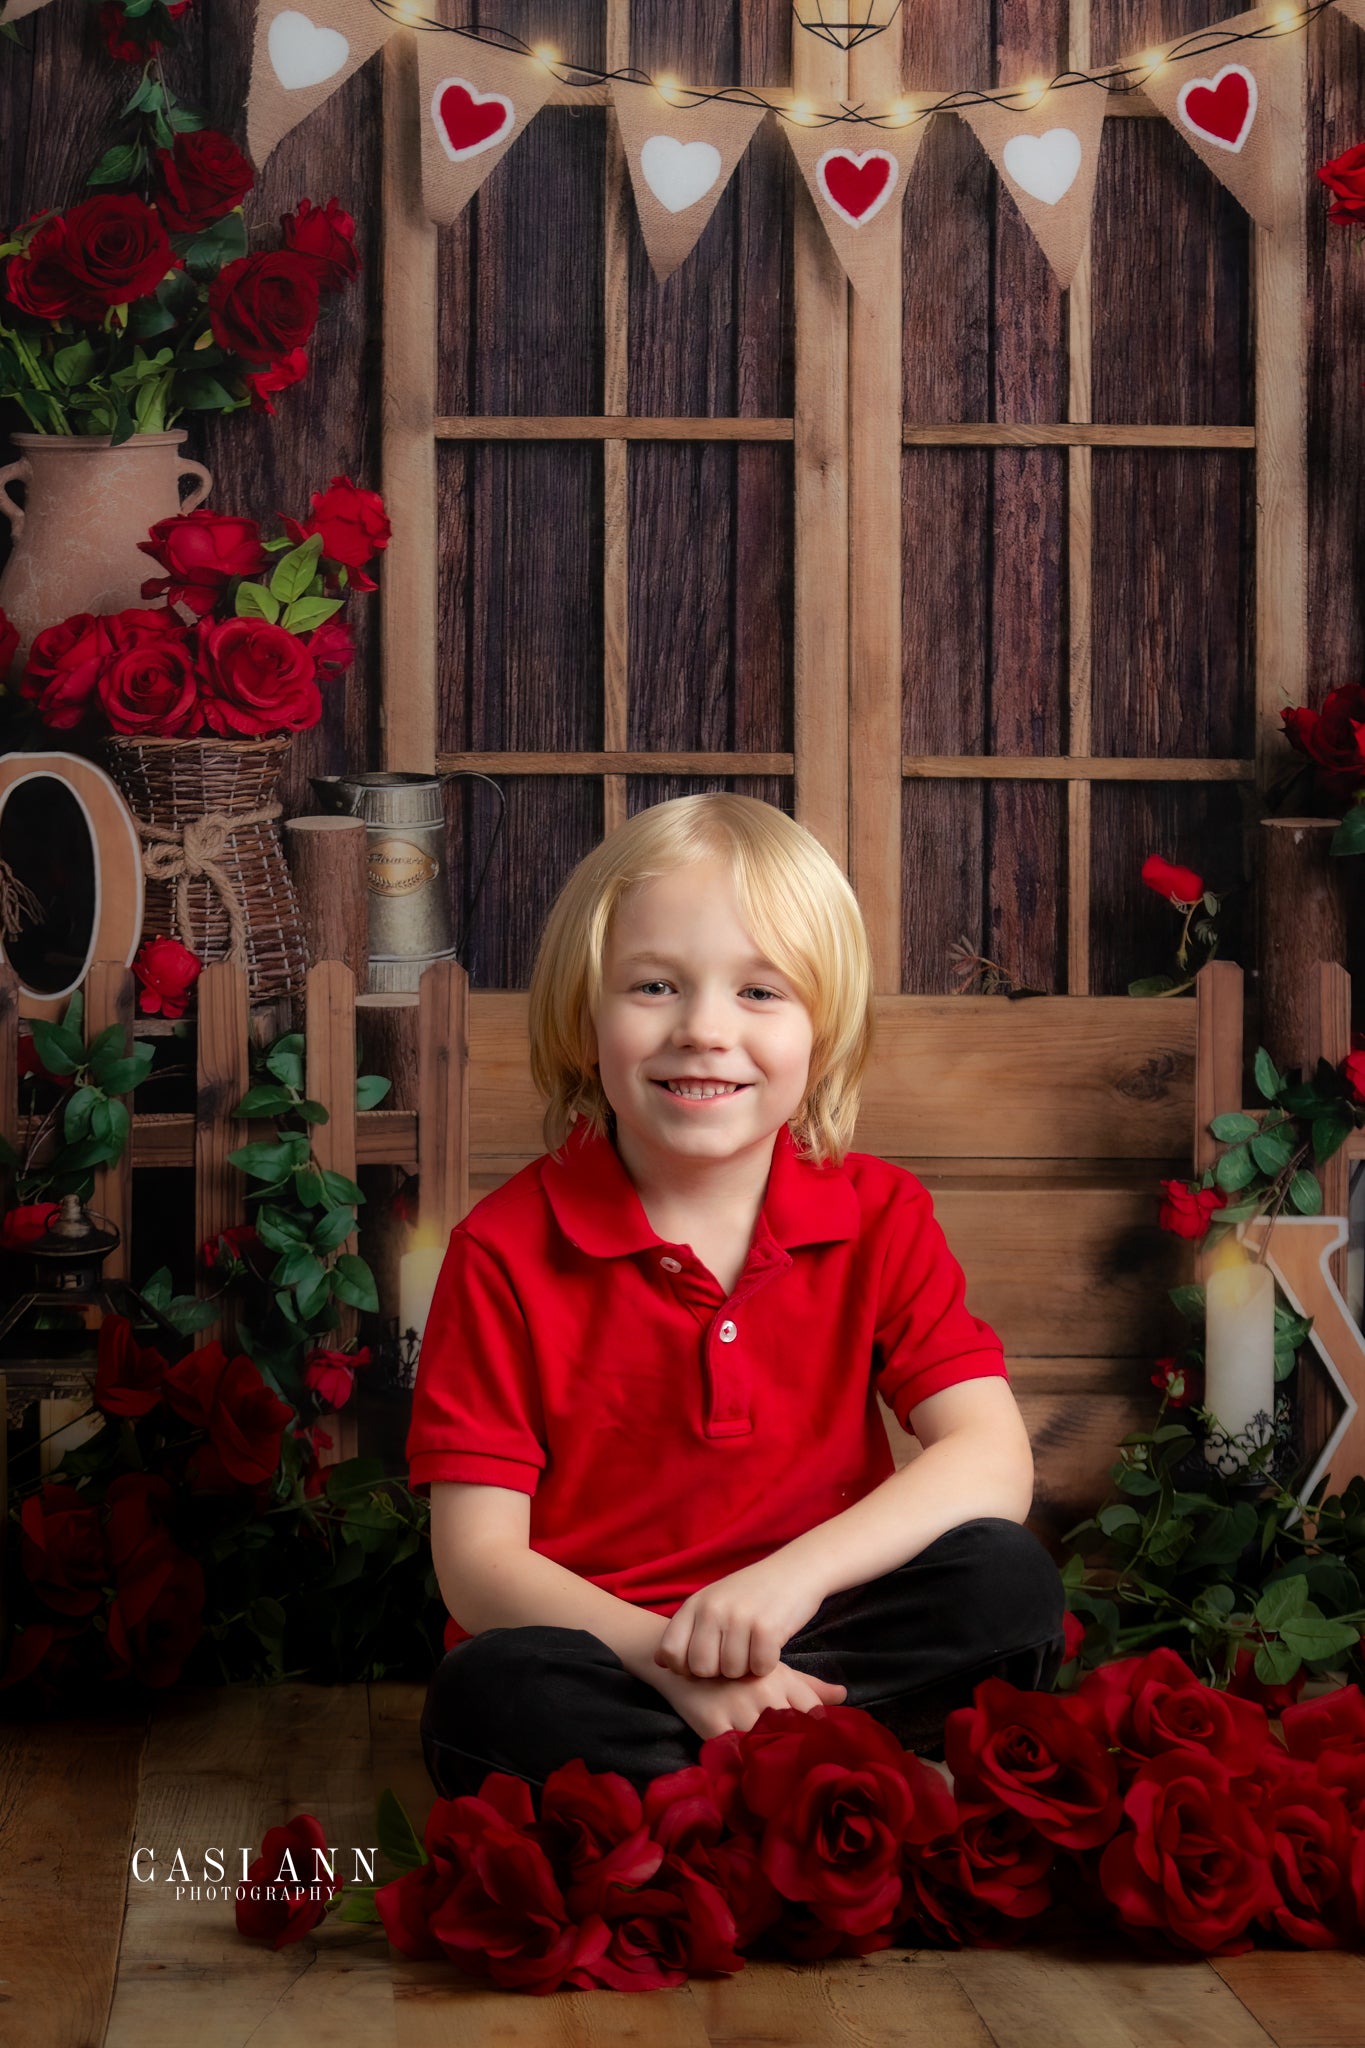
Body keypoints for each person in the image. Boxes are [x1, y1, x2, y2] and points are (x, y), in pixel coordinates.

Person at [406, 792, 1066, 1800]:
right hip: (617, 1655)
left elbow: (990, 1454)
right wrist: (673, 1660)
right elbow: (479, 1563)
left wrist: (785, 1581)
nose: (704, 1028)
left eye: (761, 992)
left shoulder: (879, 1211)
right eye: (656, 984)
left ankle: (728, 1783)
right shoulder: (500, 1251)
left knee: (1008, 1577)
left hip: (820, 1620)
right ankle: (834, 1771)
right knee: (486, 1695)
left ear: (824, 1032)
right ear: (585, 1020)